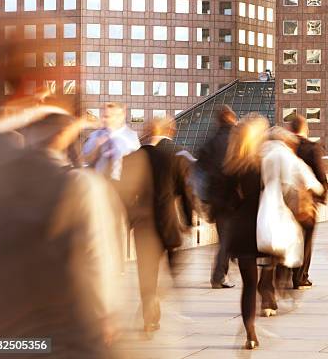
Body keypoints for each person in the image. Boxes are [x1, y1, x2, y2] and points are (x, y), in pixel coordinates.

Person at [0, 106, 125, 358]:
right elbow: (98, 255)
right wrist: (105, 313)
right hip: (60, 330)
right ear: (64, 135)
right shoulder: (80, 184)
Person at [116, 117, 194, 334]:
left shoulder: (132, 157)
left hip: (142, 224)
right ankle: (159, 294)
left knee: (145, 271)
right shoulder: (173, 157)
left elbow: (123, 195)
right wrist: (188, 219)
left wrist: (129, 218)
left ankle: (149, 315)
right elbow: (186, 192)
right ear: (169, 130)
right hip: (168, 221)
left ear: (147, 131)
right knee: (172, 263)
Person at [257, 126, 325, 317]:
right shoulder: (288, 157)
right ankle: (277, 289)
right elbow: (314, 184)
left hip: (261, 208)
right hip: (283, 209)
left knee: (267, 252)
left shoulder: (259, 155)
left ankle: (266, 294)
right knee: (285, 249)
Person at [220, 114, 269, 349]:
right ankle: (268, 301)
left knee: (248, 284)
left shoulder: (230, 167)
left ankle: (250, 333)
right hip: (259, 227)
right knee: (259, 278)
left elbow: (224, 202)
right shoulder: (260, 164)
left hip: (239, 231)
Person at [196, 105, 238, 289]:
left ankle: (222, 272)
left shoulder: (211, 141)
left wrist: (205, 196)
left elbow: (200, 168)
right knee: (227, 239)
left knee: (225, 236)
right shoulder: (237, 140)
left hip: (216, 198)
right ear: (232, 119)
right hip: (234, 197)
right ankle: (219, 275)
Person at [288, 115, 328, 290]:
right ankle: (301, 276)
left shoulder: (286, 147)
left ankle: (285, 272)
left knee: (288, 237)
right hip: (306, 203)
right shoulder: (312, 148)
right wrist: (320, 198)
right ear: (305, 129)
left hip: (285, 201)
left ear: (290, 129)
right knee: (306, 240)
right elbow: (321, 177)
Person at [82, 102, 140, 180]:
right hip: (99, 184)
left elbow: (136, 167)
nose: (103, 119)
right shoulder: (95, 135)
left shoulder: (132, 138)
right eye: (103, 116)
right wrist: (96, 147)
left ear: (120, 117)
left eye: (107, 117)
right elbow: (84, 160)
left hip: (123, 186)